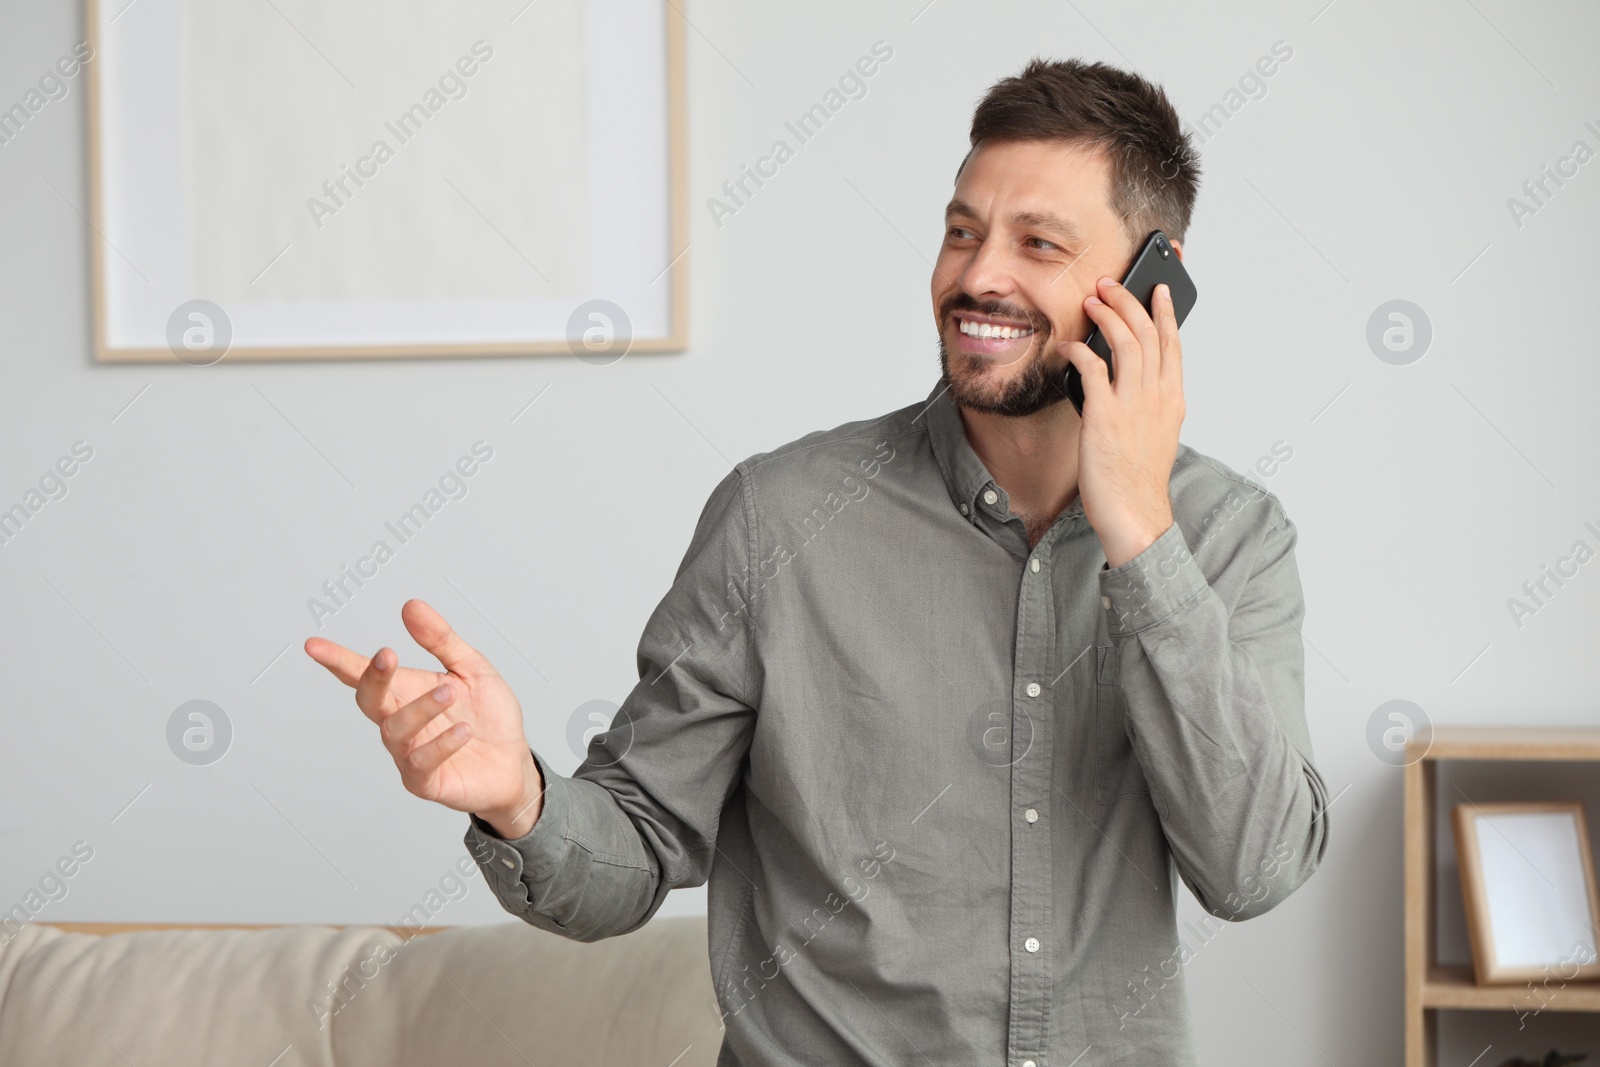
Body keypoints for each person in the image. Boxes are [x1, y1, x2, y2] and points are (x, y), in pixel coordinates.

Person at [307, 57, 1329, 1066]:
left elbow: (1253, 868)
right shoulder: (778, 516)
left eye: (1038, 243)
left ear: (1154, 282)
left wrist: (1141, 538)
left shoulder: (1228, 536)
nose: (977, 275)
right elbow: (637, 845)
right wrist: (516, 798)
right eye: (961, 231)